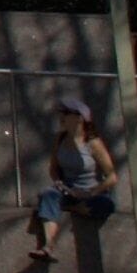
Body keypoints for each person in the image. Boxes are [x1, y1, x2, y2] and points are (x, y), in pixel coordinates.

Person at [32, 99, 118, 263]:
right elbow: (53, 168)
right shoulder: (60, 139)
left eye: (66, 114)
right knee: (47, 195)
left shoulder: (93, 143)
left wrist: (91, 192)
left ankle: (74, 208)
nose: (61, 118)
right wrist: (58, 183)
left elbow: (112, 177)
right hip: (67, 189)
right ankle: (48, 246)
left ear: (79, 118)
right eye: (61, 113)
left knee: (106, 205)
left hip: (90, 192)